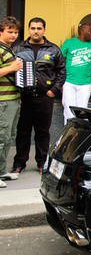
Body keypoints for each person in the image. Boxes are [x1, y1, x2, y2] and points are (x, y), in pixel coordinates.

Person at [11, 18, 66, 175]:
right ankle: (19, 163)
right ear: (28, 29)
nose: (36, 31)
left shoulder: (53, 49)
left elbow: (61, 71)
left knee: (43, 132)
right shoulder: (18, 48)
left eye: (39, 28)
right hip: (24, 98)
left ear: (44, 30)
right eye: (33, 28)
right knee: (23, 132)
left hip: (44, 97)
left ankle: (42, 162)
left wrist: (53, 91)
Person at [0, 17, 23, 187]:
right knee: (1, 137)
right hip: (3, 101)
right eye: (9, 31)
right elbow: (10, 70)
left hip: (13, 99)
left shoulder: (8, 49)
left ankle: (1, 171)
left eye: (15, 32)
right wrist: (11, 68)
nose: (13, 35)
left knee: (9, 137)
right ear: (1, 31)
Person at [61, 23, 91, 124]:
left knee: (82, 111)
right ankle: (68, 134)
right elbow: (60, 60)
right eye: (90, 30)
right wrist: (61, 78)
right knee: (68, 110)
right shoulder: (69, 43)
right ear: (82, 32)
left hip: (85, 83)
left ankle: (79, 133)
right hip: (69, 82)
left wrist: (90, 75)